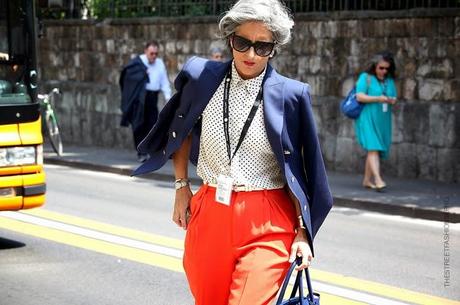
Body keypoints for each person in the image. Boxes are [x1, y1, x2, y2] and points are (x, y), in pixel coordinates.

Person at [133, 0, 332, 304]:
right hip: (210, 209)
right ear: (229, 39)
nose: (251, 54)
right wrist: (181, 185)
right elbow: (180, 128)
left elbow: (304, 170)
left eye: (262, 46)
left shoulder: (292, 95)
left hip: (269, 217)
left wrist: (303, 233)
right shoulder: (201, 78)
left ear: (274, 47)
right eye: (243, 43)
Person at [119, 40, 171, 162]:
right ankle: (141, 153)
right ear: (146, 51)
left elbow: (164, 81)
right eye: (151, 53)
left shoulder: (159, 63)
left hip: (153, 97)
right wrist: (142, 75)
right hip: (139, 98)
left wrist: (168, 97)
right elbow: (128, 78)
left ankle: (151, 151)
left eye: (156, 54)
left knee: (153, 124)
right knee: (139, 125)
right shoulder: (138, 63)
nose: (153, 56)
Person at [355, 51, 397, 191]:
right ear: (374, 66)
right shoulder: (365, 77)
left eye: (387, 68)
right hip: (367, 117)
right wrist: (378, 98)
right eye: (381, 68)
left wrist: (391, 100)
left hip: (383, 119)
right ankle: (378, 180)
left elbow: (394, 97)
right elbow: (359, 96)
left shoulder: (389, 81)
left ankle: (367, 180)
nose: (384, 71)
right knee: (373, 147)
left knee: (375, 149)